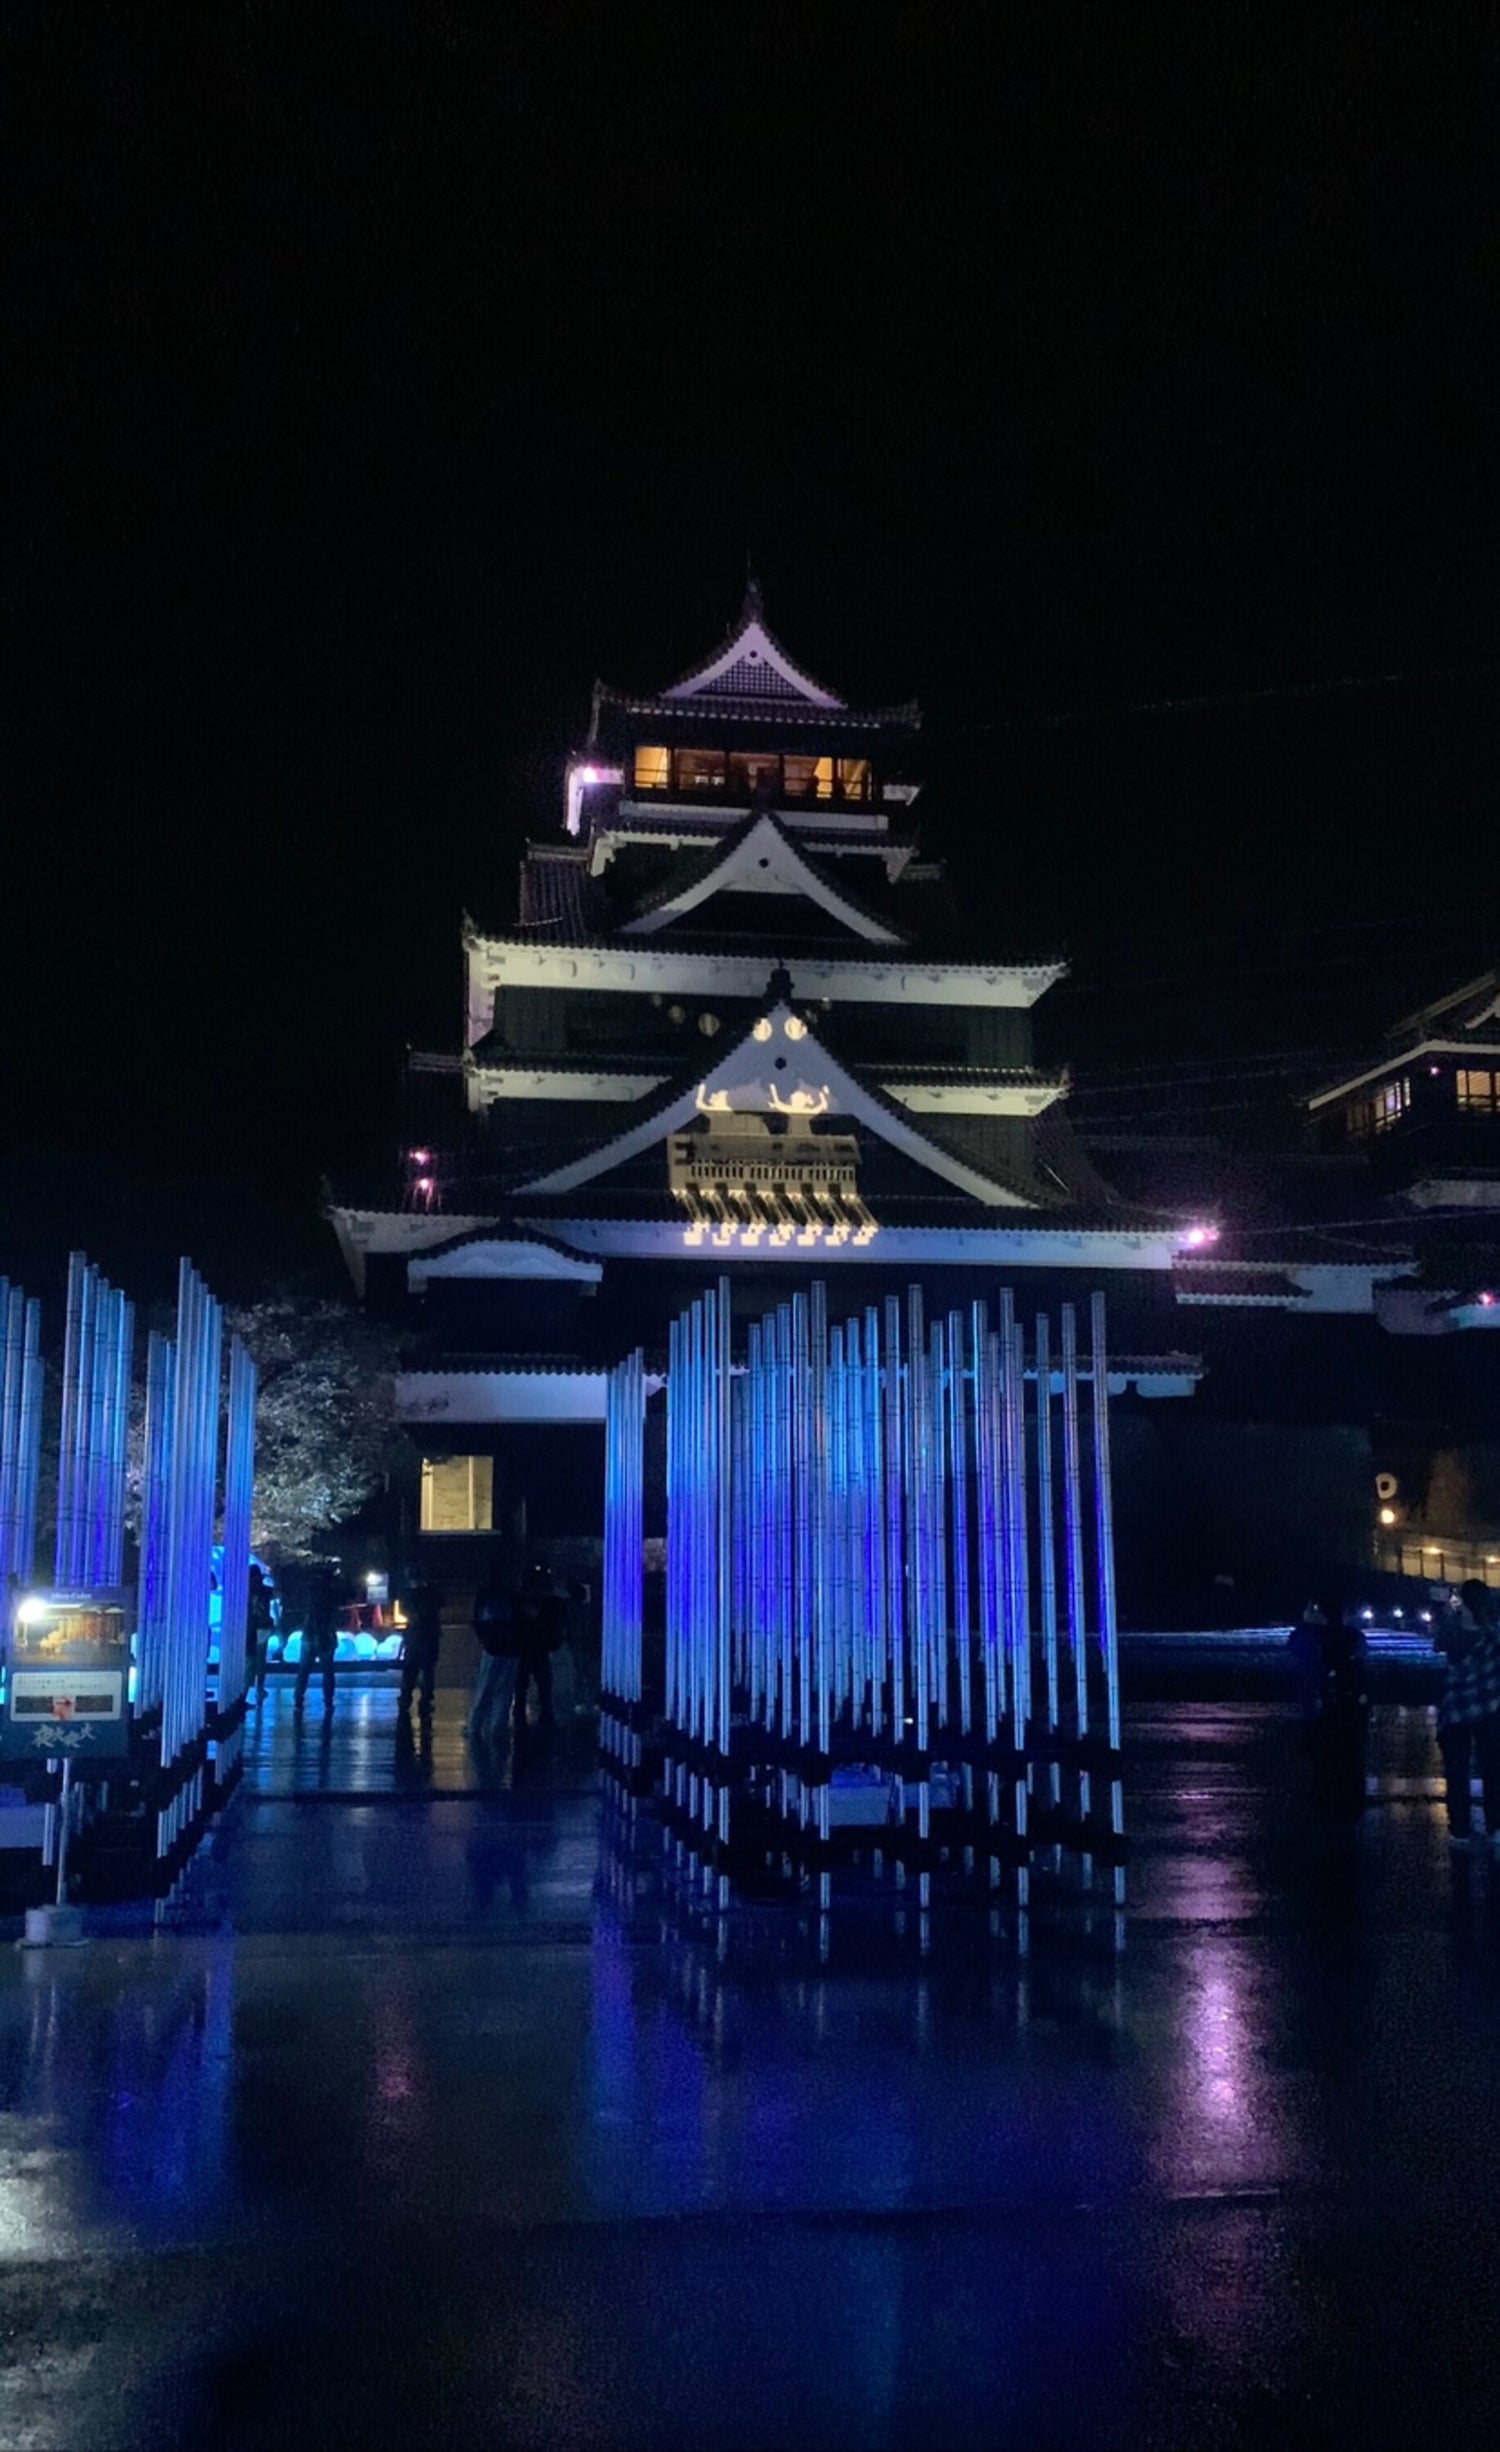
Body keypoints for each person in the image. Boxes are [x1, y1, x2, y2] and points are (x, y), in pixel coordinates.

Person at [1434, 1579, 1500, 1852]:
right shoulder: (1493, 1634)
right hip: (1489, 1708)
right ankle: (1495, 1826)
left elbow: (1438, 1648)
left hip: (1455, 1708)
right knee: (1492, 1770)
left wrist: (1449, 1614)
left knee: (1457, 1770)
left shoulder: (1451, 1629)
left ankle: (1460, 1828)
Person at [511, 1560, 565, 1733]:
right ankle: (543, 1714)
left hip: (528, 1644)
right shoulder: (546, 1601)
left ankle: (524, 1713)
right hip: (537, 1644)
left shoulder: (522, 1600)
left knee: (526, 1682)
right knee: (540, 1682)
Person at [465, 1565, 517, 1742]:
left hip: (492, 1646)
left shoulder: (486, 1595)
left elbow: (478, 1618)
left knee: (485, 1687)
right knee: (504, 1690)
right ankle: (497, 1727)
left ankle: (475, 1726)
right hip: (510, 1646)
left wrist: (484, 1638)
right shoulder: (511, 1595)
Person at [294, 1558, 343, 1717]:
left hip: (309, 1635)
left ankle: (298, 1700)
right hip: (325, 1635)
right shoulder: (331, 1593)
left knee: (304, 1670)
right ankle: (328, 1701)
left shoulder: (310, 1592)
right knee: (327, 1670)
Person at [399, 1575, 445, 1723]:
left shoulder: (409, 1594)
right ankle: (424, 1700)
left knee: (411, 1670)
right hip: (428, 1636)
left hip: (415, 1636)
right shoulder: (431, 1594)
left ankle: (406, 1698)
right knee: (427, 1671)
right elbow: (441, 1602)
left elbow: (405, 1609)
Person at [245, 1563, 275, 1706]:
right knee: (260, 1660)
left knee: (250, 1661)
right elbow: (278, 1592)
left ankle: (245, 1692)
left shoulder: (245, 1591)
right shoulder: (266, 1591)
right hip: (262, 1627)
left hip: (249, 1627)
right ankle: (259, 1688)